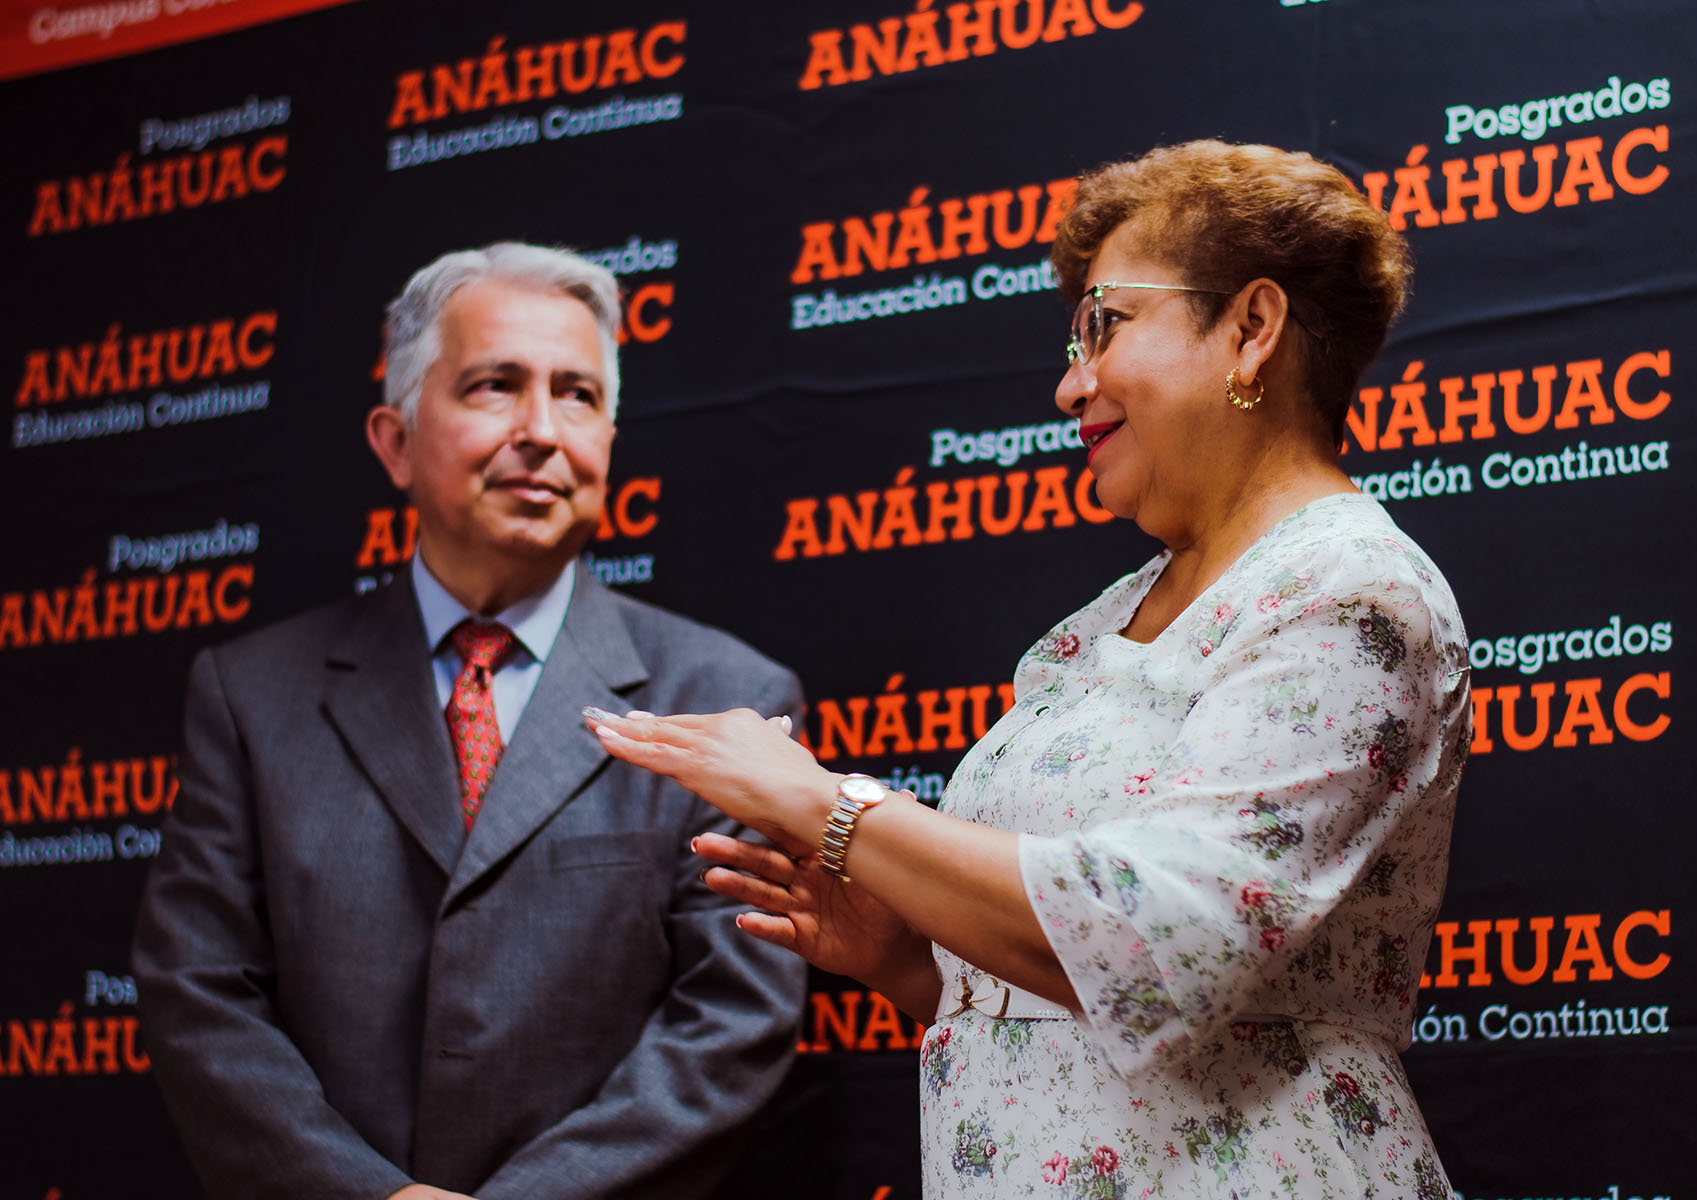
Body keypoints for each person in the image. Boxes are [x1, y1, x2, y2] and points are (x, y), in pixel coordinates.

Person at [589, 141, 1472, 1197]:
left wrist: (836, 812)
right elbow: (1073, 983)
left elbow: (1164, 944)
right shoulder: (1093, 625)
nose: (1069, 384)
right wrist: (906, 960)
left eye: (1106, 325)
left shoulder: (1353, 590)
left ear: (1252, 328)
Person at [132, 242, 807, 1200]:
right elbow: (197, 994)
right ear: (396, 440)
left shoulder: (726, 697)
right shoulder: (251, 695)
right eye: (496, 385)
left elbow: (730, 1021)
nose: (542, 430)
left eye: (578, 395)